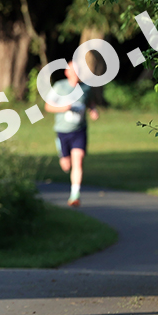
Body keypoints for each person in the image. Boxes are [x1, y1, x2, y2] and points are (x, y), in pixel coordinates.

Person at [43, 61, 99, 207]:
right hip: (62, 131)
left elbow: (90, 103)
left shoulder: (86, 88)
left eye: (78, 71)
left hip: (79, 130)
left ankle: (75, 195)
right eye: (73, 70)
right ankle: (62, 153)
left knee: (78, 161)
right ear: (67, 72)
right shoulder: (60, 86)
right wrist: (64, 108)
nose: (76, 73)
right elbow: (48, 106)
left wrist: (93, 111)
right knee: (66, 166)